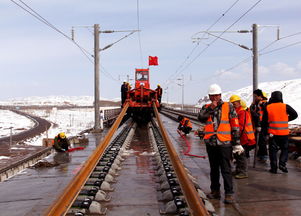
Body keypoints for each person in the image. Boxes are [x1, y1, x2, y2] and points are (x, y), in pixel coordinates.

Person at [198, 84, 243, 204]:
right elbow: (201, 118)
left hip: (224, 143)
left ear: (220, 95)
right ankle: (215, 191)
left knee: (226, 169)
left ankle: (229, 193)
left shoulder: (229, 107)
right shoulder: (206, 107)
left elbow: (235, 125)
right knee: (214, 169)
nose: (214, 98)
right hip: (211, 143)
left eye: (216, 96)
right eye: (212, 96)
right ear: (209, 96)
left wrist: (237, 143)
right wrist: (210, 108)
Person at [262, 91, 298, 174]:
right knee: (284, 149)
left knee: (273, 151)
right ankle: (282, 164)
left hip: (273, 134)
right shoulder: (285, 106)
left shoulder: (268, 107)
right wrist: (287, 119)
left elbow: (264, 122)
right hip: (284, 133)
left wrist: (264, 133)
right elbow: (295, 115)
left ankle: (273, 168)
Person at [229, 95, 256, 179]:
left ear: (239, 102)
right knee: (237, 154)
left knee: (241, 155)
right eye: (232, 103)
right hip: (239, 137)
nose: (233, 104)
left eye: (234, 102)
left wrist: (235, 135)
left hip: (244, 137)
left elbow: (241, 126)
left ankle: (243, 172)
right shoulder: (236, 111)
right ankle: (238, 170)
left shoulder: (242, 112)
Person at [250, 89, 268, 162]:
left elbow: (265, 115)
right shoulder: (255, 104)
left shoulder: (264, 104)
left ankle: (264, 156)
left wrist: (260, 125)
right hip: (257, 124)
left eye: (255, 96)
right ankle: (260, 154)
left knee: (262, 141)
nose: (254, 98)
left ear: (260, 96)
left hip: (263, 125)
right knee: (259, 141)